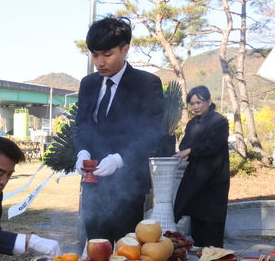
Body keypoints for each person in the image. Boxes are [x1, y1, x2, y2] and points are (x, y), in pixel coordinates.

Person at [73, 16, 164, 243]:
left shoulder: (146, 84)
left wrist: (119, 159)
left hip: (128, 184)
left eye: (107, 54)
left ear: (125, 49)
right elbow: (83, 126)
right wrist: (82, 151)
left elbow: (151, 134)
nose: (100, 62)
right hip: (93, 182)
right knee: (95, 246)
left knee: (126, 251)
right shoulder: (89, 84)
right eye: (95, 55)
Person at [173, 86, 229, 248]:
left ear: (209, 101)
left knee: (212, 221)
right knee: (197, 219)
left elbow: (213, 145)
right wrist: (185, 150)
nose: (196, 106)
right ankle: (200, 260)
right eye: (192, 103)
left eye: (199, 102)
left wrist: (191, 150)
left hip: (214, 179)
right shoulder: (191, 123)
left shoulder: (220, 121)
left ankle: (215, 260)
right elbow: (185, 143)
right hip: (195, 177)